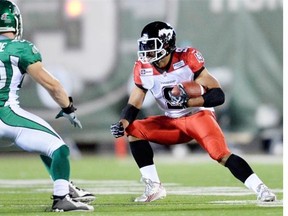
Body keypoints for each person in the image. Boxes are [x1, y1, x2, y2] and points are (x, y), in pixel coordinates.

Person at [110, 21, 276, 203]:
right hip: (172, 121)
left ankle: (261, 188)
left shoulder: (187, 58)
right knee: (134, 130)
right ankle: (154, 186)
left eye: (152, 46)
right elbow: (134, 102)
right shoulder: (142, 68)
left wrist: (189, 101)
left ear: (167, 44)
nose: (147, 52)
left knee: (220, 154)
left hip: (198, 117)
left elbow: (218, 95)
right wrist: (122, 124)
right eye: (145, 46)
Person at [0, 0, 95, 212]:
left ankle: (66, 186)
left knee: (45, 145)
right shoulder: (20, 48)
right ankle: (61, 197)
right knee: (59, 149)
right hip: (6, 115)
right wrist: (68, 108)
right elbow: (52, 85)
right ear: (14, 22)